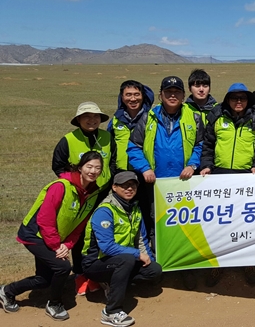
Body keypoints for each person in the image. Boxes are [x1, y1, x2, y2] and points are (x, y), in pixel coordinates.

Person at [0, 152, 104, 321]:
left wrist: (68, 244)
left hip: (54, 237)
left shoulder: (92, 193)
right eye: (89, 166)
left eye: (97, 168)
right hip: (35, 234)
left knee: (44, 279)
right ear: (80, 168)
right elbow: (45, 219)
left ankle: (6, 292)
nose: (93, 171)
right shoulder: (61, 186)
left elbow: (79, 225)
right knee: (62, 268)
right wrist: (57, 246)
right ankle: (54, 303)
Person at [127, 75, 204, 290]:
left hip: (183, 185)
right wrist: (144, 168)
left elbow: (200, 145)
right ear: (160, 95)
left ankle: (185, 268)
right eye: (168, 92)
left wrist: (192, 165)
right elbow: (133, 146)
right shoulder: (147, 118)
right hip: (155, 186)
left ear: (183, 95)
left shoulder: (195, 118)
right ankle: (159, 269)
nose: (172, 95)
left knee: (185, 226)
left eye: (177, 92)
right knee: (155, 226)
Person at [200, 83, 255, 286]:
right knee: (220, 223)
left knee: (248, 222)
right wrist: (206, 165)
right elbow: (208, 144)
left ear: (248, 100)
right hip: (220, 176)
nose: (239, 101)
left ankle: (249, 263)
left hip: (247, 176)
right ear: (227, 99)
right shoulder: (216, 116)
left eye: (243, 98)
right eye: (234, 98)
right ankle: (217, 265)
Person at [82, 171, 162, 327]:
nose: (129, 189)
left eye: (132, 185)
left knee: (155, 270)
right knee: (126, 260)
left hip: (121, 259)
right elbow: (106, 246)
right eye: (124, 186)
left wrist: (148, 259)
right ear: (114, 187)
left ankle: (114, 283)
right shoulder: (105, 211)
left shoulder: (135, 209)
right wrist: (137, 254)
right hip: (96, 263)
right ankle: (111, 312)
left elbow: (141, 239)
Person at [51, 101, 115, 295]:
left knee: (98, 233)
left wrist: (105, 183)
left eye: (96, 116)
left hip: (102, 194)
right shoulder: (68, 140)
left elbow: (112, 162)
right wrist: (74, 185)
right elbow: (58, 165)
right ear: (78, 119)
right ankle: (80, 275)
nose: (92, 120)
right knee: (78, 235)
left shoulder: (106, 137)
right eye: (86, 116)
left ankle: (98, 273)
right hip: (78, 195)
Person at [108, 80, 155, 171]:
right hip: (120, 171)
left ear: (143, 96)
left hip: (145, 171)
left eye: (137, 94)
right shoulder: (116, 120)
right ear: (122, 97)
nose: (133, 99)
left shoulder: (151, 119)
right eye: (128, 95)